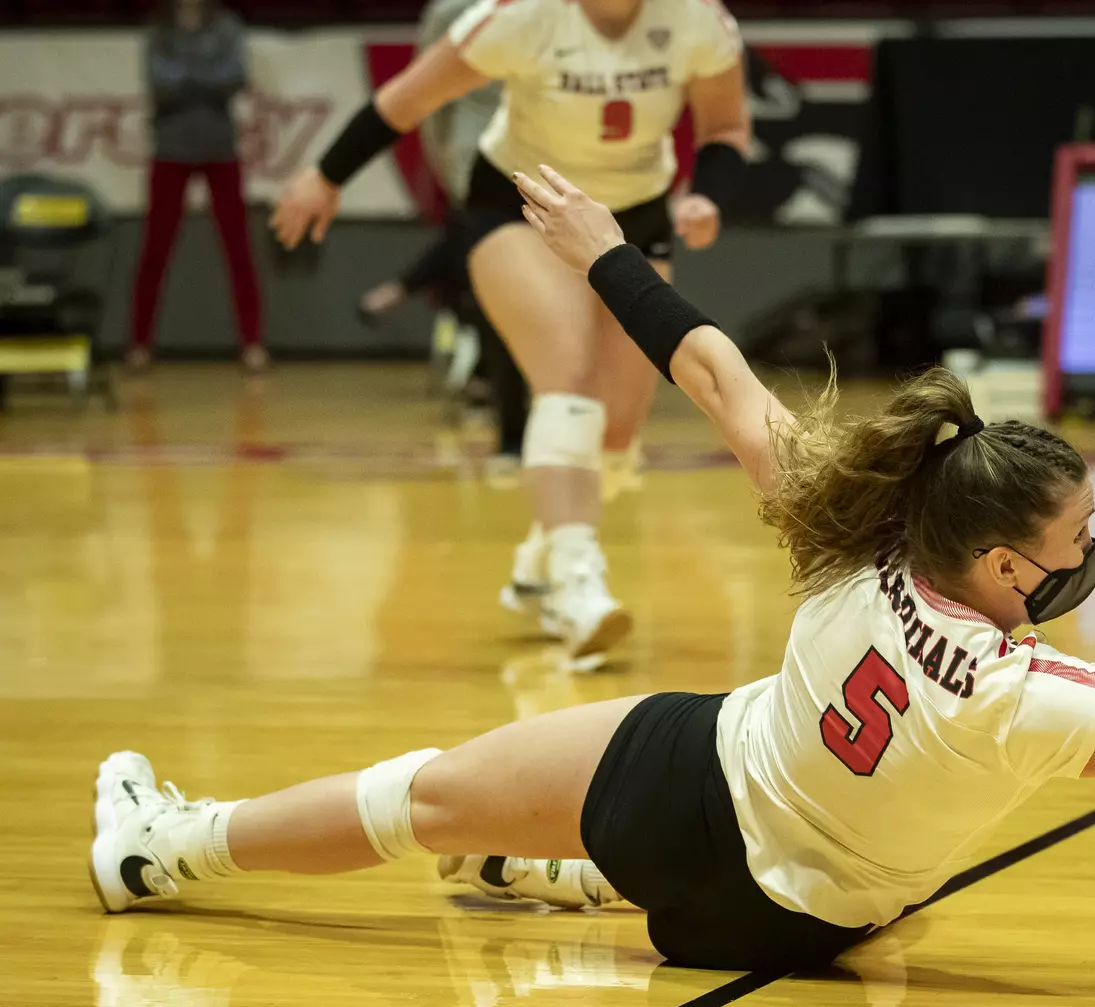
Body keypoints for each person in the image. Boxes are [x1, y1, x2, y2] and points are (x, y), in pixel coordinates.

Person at [88, 167, 1095, 973]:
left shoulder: (855, 539)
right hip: (806, 929)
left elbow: (709, 370)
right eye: (1078, 538)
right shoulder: (1038, 697)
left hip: (685, 800)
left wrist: (597, 245)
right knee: (864, 866)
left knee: (427, 787)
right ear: (1009, 567)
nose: (1093, 550)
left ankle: (169, 849)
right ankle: (551, 864)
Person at [271, 0, 752, 669]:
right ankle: (577, 584)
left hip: (633, 213)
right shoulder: (522, 16)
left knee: (616, 432)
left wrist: (708, 196)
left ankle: (543, 552)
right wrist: (325, 176)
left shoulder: (697, 20)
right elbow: (402, 103)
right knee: (570, 377)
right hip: (517, 206)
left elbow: (725, 128)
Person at [128, 0, 266, 375]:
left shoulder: (226, 26)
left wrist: (187, 77)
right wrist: (205, 78)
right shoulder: (158, 29)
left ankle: (252, 343)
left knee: (238, 247)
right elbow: (159, 83)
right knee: (154, 248)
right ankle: (140, 343)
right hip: (170, 148)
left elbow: (235, 77)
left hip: (219, 147)